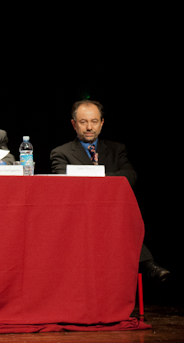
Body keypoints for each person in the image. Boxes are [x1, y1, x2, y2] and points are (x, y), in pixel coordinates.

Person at [50, 99, 169, 282]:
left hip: (112, 211)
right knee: (116, 218)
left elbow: (130, 176)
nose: (89, 127)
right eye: (83, 122)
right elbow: (66, 184)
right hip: (80, 215)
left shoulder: (116, 149)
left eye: (94, 121)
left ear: (102, 123)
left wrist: (95, 177)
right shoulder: (61, 153)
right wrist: (110, 178)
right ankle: (147, 264)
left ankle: (146, 265)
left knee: (121, 215)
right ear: (74, 124)